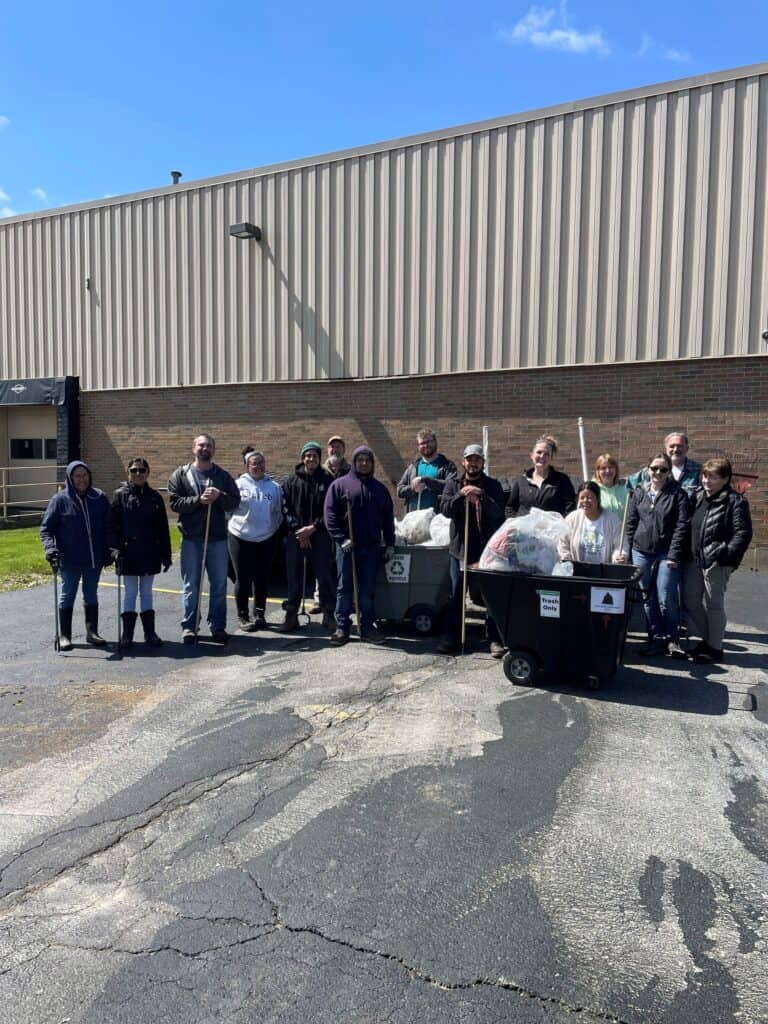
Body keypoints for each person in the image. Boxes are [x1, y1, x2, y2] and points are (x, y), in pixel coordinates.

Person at [167, 434, 240, 644]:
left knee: (218, 585)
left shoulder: (222, 476)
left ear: (213, 450)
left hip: (217, 539)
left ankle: (217, 626)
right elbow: (175, 503)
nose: (204, 448)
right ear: (193, 448)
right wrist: (198, 500)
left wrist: (220, 497)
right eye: (201, 445)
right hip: (191, 539)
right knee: (192, 585)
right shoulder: (180, 475)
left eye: (208, 445)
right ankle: (189, 627)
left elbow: (234, 502)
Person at [436, 445, 507, 657]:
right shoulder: (453, 484)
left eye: (477, 459)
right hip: (460, 549)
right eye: (469, 459)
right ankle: (452, 638)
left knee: (489, 596)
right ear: (463, 462)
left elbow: (497, 514)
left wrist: (481, 495)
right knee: (457, 596)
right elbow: (446, 510)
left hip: (486, 551)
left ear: (483, 463)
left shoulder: (492, 486)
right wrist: (461, 495)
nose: (473, 463)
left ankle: (494, 639)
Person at [682, 458, 753, 663]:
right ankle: (709, 640)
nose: (707, 481)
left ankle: (715, 648)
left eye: (713, 477)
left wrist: (724, 555)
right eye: (705, 476)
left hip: (717, 561)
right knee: (691, 600)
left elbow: (742, 534)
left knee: (714, 605)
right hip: (694, 559)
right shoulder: (697, 497)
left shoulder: (735, 501)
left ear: (725, 479)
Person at [619, 452, 689, 658]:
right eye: (654, 468)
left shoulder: (678, 494)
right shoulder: (639, 492)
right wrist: (628, 552)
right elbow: (631, 524)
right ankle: (656, 638)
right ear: (648, 470)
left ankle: (672, 639)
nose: (658, 472)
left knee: (665, 596)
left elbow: (681, 526)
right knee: (648, 597)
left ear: (669, 472)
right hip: (641, 551)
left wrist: (674, 555)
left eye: (663, 469)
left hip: (667, 553)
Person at [324, 445, 395, 646]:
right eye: (360, 460)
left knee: (367, 589)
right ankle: (342, 628)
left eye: (368, 460)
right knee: (344, 588)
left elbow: (388, 518)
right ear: (354, 462)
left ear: (372, 463)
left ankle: (367, 627)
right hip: (347, 547)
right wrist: (340, 538)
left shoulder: (380, 489)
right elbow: (329, 516)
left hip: (371, 548)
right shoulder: (339, 486)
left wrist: (390, 543)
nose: (364, 463)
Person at [40, 460, 112, 651]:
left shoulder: (99, 498)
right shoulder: (59, 500)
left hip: (93, 558)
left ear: (90, 477)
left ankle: (92, 632)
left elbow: (108, 527)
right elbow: (46, 530)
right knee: (67, 595)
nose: (81, 479)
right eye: (77, 476)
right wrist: (49, 549)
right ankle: (64, 635)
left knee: (91, 595)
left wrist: (111, 548)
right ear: (70, 478)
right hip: (69, 559)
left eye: (84, 475)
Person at [108, 457, 172, 648]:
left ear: (147, 473)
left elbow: (163, 528)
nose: (138, 474)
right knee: (130, 593)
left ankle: (149, 633)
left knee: (146, 592)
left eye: (142, 470)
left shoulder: (155, 497)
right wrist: (115, 549)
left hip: (150, 551)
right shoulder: (120, 495)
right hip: (127, 553)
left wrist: (166, 555)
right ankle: (127, 635)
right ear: (128, 473)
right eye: (134, 470)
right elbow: (112, 525)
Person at [281, 442, 336, 632]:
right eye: (307, 455)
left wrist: (312, 528)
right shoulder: (290, 481)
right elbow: (285, 507)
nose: (310, 459)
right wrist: (299, 531)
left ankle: (329, 615)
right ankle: (291, 615)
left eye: (314, 456)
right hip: (295, 536)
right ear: (302, 458)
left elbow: (331, 509)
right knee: (294, 577)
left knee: (325, 576)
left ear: (319, 458)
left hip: (319, 535)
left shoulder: (328, 481)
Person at [227, 447, 284, 632]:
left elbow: (278, 512)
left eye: (261, 463)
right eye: (254, 463)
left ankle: (259, 614)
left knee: (262, 578)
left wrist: (272, 530)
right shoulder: (237, 486)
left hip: (267, 539)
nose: (258, 466)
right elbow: (228, 511)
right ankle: (243, 616)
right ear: (246, 466)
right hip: (240, 538)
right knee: (242, 579)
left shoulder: (274, 487)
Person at [308, 435, 351, 614]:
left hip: (344, 523)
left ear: (344, 450)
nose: (335, 449)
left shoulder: (351, 469)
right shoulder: (321, 470)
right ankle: (319, 599)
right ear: (328, 450)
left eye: (339, 446)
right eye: (332, 447)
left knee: (343, 562)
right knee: (322, 562)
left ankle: (346, 598)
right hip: (323, 523)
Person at [505, 436, 576, 518]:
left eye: (546, 454)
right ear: (531, 455)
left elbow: (570, 508)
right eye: (539, 452)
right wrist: (516, 525)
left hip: (551, 529)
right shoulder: (521, 481)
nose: (542, 456)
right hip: (524, 530)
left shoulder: (562, 480)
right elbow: (510, 508)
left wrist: (558, 526)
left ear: (551, 458)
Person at [557, 482, 623, 564]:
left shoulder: (612, 520)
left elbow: (620, 546)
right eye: (582, 498)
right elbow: (563, 543)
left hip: (604, 573)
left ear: (598, 499)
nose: (585, 501)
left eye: (589, 497)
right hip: (578, 572)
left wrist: (618, 557)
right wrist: (567, 561)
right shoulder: (572, 518)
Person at [396, 429, 457, 513]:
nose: (425, 445)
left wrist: (425, 480)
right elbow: (399, 490)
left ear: (435, 442)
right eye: (422, 443)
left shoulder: (447, 465)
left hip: (436, 520)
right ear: (418, 446)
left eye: (428, 441)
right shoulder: (413, 467)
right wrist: (413, 489)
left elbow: (451, 487)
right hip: (413, 520)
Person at [627, 432, 702, 497]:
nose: (675, 449)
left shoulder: (698, 470)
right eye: (672, 446)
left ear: (687, 448)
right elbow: (629, 483)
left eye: (679, 446)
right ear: (666, 448)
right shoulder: (652, 470)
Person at [592, 453, 629, 520]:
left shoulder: (624, 489)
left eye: (610, 467)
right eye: (603, 468)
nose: (607, 471)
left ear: (616, 470)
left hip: (620, 530)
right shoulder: (591, 489)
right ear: (598, 471)